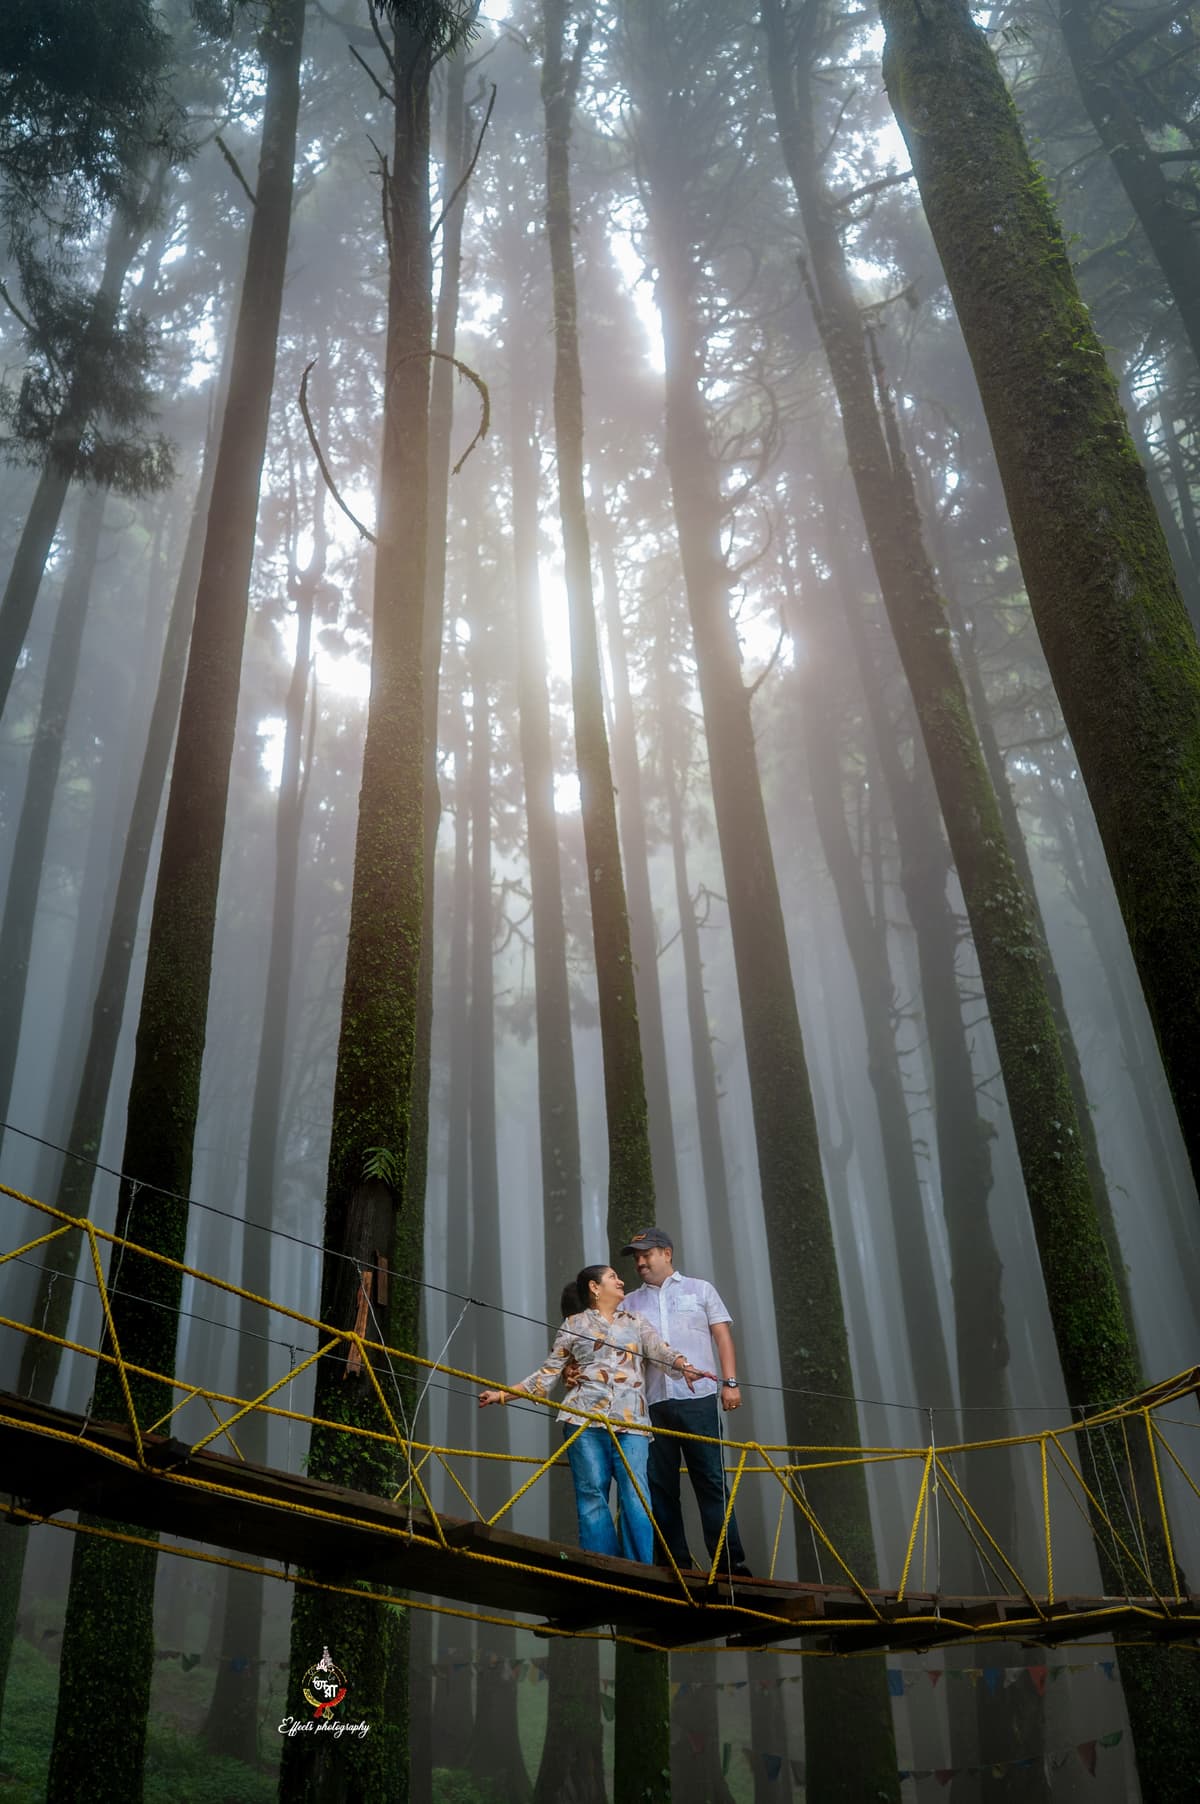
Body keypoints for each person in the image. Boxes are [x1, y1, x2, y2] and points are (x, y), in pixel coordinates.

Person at [478, 1263, 703, 1564]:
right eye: (613, 1277)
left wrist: (684, 1367)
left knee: (636, 1495)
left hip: (632, 1422)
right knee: (592, 1494)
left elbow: (661, 1351)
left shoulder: (637, 1322)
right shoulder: (573, 1325)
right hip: (583, 1419)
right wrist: (503, 1394)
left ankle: (639, 1568)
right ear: (595, 1288)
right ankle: (602, 1567)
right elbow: (547, 1374)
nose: (621, 1280)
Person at [620, 1227, 751, 1578]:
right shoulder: (628, 1302)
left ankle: (729, 1566)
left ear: (667, 1253)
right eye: (636, 1256)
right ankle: (674, 1564)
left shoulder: (701, 1289)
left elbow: (722, 1335)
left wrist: (731, 1384)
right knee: (661, 1486)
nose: (640, 1261)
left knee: (710, 1481)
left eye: (646, 1253)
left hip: (701, 1400)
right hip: (652, 1403)